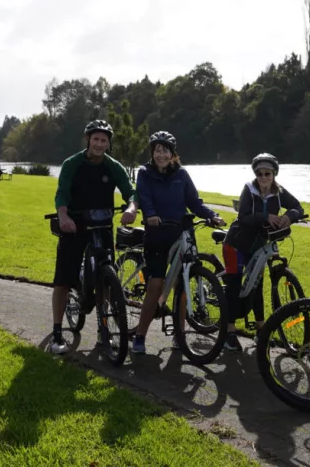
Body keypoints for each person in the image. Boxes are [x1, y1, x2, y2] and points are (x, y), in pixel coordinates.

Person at [131, 131, 225, 354]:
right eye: (157, 150)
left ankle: (179, 336)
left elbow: (194, 201)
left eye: (165, 150)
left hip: (182, 233)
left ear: (173, 154)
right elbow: (143, 197)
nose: (161, 154)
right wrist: (151, 214)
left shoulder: (181, 174)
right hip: (156, 233)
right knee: (155, 285)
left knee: (183, 286)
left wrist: (211, 215)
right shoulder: (144, 173)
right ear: (152, 153)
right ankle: (140, 336)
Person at [50, 119, 138, 354]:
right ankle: (57, 333)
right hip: (75, 227)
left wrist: (131, 208)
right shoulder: (72, 164)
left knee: (106, 280)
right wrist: (64, 217)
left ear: (109, 143)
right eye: (96, 139)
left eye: (104, 140)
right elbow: (62, 193)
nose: (100, 144)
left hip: (102, 226)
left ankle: (104, 329)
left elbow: (130, 191)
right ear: (88, 139)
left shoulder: (113, 166)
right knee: (63, 281)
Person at [220, 152, 303, 351]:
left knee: (257, 285)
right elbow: (243, 216)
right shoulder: (249, 189)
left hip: (259, 246)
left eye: (268, 173)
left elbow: (297, 206)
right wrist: (266, 217)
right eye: (260, 174)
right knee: (234, 285)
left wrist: (289, 216)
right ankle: (229, 333)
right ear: (255, 174)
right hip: (236, 244)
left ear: (274, 174)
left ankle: (261, 330)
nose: (264, 178)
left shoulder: (279, 191)